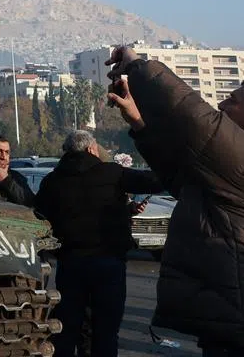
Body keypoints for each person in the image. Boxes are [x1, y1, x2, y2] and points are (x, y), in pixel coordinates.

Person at [105, 47, 244, 357]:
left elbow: (190, 113)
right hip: (231, 315)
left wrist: (138, 66)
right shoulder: (233, 167)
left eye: (233, 101)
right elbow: (181, 181)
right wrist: (140, 125)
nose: (221, 104)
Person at [34, 129, 163, 357]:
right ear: (92, 149)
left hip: (70, 263)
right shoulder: (112, 173)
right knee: (106, 332)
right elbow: (153, 181)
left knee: (67, 329)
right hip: (108, 262)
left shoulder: (52, 180)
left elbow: (41, 214)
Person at [0, 134, 35, 207]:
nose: (3, 157)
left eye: (7, 152)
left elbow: (31, 203)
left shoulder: (17, 178)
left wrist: (5, 180)